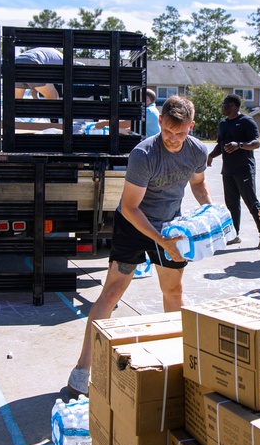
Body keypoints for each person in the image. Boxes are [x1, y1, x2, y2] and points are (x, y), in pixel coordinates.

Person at [66, 96, 211, 396]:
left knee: (174, 292)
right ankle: (82, 368)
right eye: (168, 132)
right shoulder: (143, 154)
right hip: (134, 224)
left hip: (170, 226)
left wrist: (211, 214)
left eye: (180, 133)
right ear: (159, 122)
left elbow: (197, 183)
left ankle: (176, 361)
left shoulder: (197, 150)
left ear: (191, 127)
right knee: (113, 291)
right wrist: (161, 242)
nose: (173, 139)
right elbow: (131, 208)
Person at [207, 94, 260, 249]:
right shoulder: (223, 124)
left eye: (225, 104)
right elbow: (220, 145)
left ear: (233, 105)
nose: (222, 107)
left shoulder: (246, 122)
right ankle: (234, 235)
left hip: (244, 170)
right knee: (232, 204)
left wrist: (239, 145)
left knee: (251, 202)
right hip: (228, 171)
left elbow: (256, 143)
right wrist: (211, 156)